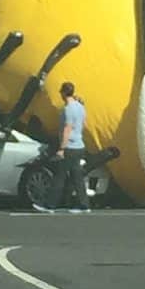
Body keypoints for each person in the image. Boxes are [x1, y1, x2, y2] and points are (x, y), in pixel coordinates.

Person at [33, 81, 91, 214]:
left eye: (61, 92)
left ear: (64, 93)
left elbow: (67, 129)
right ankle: (84, 205)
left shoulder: (68, 109)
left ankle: (50, 205)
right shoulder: (80, 107)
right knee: (77, 176)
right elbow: (84, 123)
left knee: (59, 176)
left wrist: (62, 148)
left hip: (70, 146)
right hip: (79, 146)